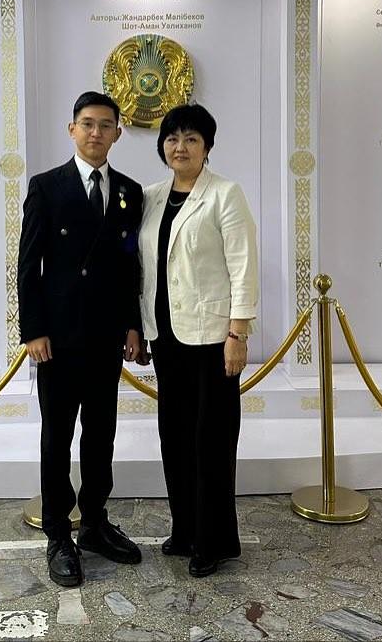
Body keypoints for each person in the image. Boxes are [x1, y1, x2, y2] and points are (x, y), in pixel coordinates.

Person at [17, 90, 145, 588]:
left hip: (106, 336)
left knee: (101, 433)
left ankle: (94, 522)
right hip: (59, 338)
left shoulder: (129, 191)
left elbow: (130, 266)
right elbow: (29, 264)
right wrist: (34, 330)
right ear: (72, 129)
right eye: (87, 123)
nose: (96, 132)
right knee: (57, 436)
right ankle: (57, 533)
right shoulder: (46, 186)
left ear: (117, 133)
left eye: (105, 125)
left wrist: (132, 324)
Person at [137, 103, 258, 577]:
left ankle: (214, 541)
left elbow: (243, 266)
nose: (180, 147)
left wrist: (238, 333)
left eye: (191, 138)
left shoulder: (225, 194)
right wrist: (137, 325)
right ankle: (185, 529)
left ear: (207, 146)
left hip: (212, 339)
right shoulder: (151, 197)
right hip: (166, 337)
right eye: (172, 138)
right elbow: (144, 269)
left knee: (212, 441)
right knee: (176, 438)